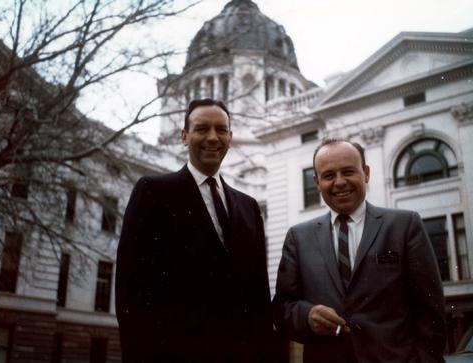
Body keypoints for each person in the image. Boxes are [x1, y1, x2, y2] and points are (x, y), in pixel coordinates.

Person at [115, 99, 274, 363]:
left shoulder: (249, 207)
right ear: (184, 136)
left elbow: (259, 294)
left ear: (231, 138)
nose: (213, 137)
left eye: (221, 130)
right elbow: (130, 288)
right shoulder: (153, 192)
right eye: (202, 129)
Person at [273, 138, 446, 363]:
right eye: (328, 175)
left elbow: (431, 311)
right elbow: (281, 309)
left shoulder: (404, 226)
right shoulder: (298, 237)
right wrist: (307, 316)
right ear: (316, 182)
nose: (339, 182)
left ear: (366, 172)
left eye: (348, 171)